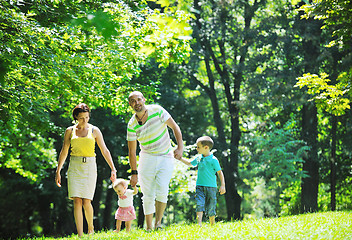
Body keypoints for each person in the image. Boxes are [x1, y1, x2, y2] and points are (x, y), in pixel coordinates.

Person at [55, 103, 117, 237]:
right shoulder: (69, 131)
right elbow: (64, 151)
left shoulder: (95, 130)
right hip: (74, 167)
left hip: (89, 167)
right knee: (77, 200)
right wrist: (58, 170)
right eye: (82, 118)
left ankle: (90, 229)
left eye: (87, 117)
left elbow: (104, 150)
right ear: (76, 117)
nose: (85, 120)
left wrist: (113, 168)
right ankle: (80, 235)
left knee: (86, 200)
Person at [126, 91, 184, 230]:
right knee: (147, 193)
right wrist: (134, 173)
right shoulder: (132, 124)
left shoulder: (157, 111)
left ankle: (158, 223)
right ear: (130, 104)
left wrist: (180, 147)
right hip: (147, 157)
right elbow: (132, 152)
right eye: (133, 101)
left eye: (139, 99)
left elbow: (175, 127)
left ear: (144, 99)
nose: (136, 103)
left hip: (165, 155)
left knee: (163, 189)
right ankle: (149, 227)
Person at [177, 136, 226, 226]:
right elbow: (189, 163)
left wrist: (222, 185)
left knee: (211, 206)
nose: (197, 149)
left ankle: (212, 224)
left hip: (211, 187)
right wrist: (180, 158)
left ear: (206, 147)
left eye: (198, 147)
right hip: (199, 186)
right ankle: (199, 224)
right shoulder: (199, 158)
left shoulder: (214, 160)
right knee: (199, 203)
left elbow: (220, 173)